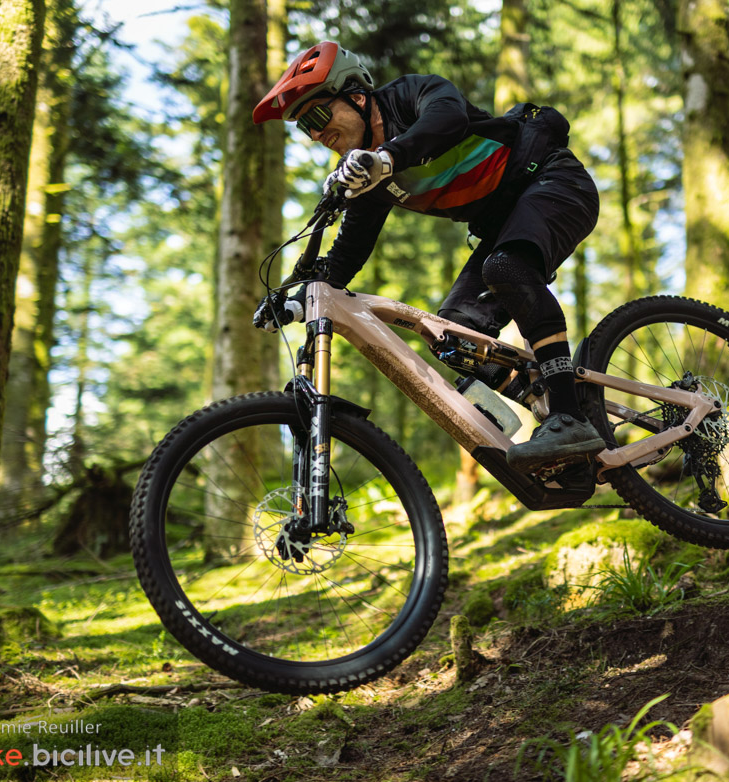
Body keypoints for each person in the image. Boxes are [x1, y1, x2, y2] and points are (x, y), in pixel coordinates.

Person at [252, 41, 604, 473]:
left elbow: (448, 117)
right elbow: (347, 256)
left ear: (357, 98)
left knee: (506, 268)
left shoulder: (409, 95)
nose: (316, 134)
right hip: (502, 225)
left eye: (318, 116)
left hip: (553, 180)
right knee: (453, 337)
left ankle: (569, 416)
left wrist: (387, 158)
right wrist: (296, 294)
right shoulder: (368, 177)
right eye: (305, 128)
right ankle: (553, 400)